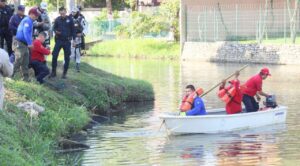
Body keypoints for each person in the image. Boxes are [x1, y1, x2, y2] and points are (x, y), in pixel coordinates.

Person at [14, 7, 40, 81]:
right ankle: (10, 75)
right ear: (31, 14)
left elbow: (28, 33)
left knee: (25, 62)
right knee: (18, 60)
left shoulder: (30, 21)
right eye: (35, 15)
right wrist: (30, 43)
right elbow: (25, 32)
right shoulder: (27, 20)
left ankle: (25, 78)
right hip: (20, 43)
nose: (36, 17)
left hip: (24, 44)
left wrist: (29, 42)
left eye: (37, 15)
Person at [50, 7, 75, 79]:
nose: (62, 15)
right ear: (59, 13)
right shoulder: (57, 19)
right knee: (54, 55)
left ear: (66, 12)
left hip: (67, 41)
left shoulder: (70, 20)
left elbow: (73, 30)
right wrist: (56, 31)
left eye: (63, 13)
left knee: (67, 58)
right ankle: (53, 72)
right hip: (59, 40)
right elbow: (54, 28)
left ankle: (64, 74)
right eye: (61, 14)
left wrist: (74, 40)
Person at [70, 7, 84, 72]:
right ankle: (66, 64)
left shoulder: (81, 18)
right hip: (71, 36)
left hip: (78, 36)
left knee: (78, 51)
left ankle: (78, 64)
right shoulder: (69, 17)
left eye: (74, 12)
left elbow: (85, 26)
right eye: (72, 12)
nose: (73, 13)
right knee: (71, 50)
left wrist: (81, 33)